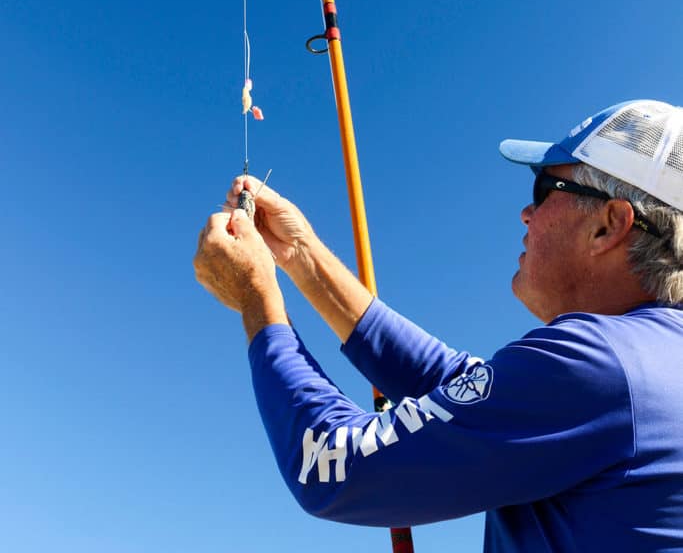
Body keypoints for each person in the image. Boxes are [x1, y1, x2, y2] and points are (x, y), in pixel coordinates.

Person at [194, 99, 683, 551]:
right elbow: (454, 382)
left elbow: (329, 468)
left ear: (610, 224)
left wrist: (256, 299)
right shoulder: (651, 360)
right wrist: (300, 253)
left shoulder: (603, 367)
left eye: (545, 189)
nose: (526, 213)